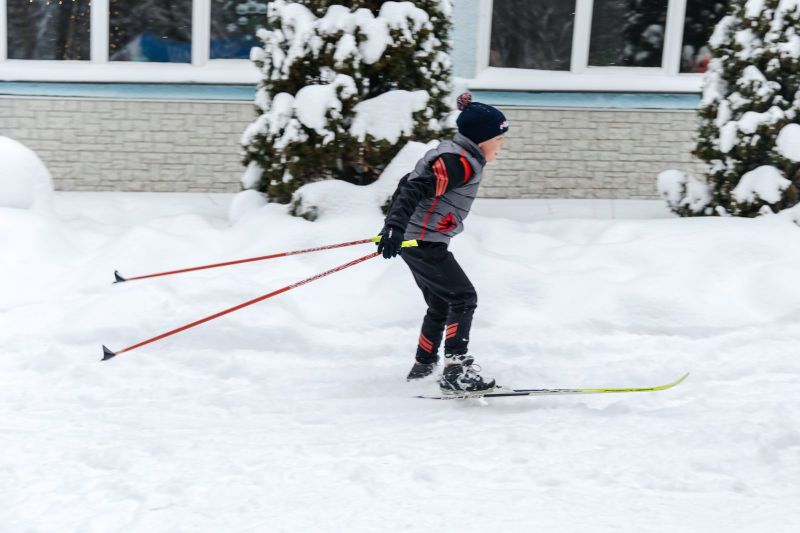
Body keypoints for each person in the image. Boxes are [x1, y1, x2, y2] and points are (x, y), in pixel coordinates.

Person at [376, 92, 508, 394]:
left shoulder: (458, 157)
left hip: (418, 239)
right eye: (499, 139)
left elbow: (407, 181)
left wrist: (394, 228)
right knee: (463, 297)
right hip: (423, 241)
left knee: (441, 302)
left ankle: (423, 366)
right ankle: (456, 370)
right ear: (481, 139)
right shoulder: (458, 163)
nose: (501, 146)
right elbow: (413, 188)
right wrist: (394, 227)